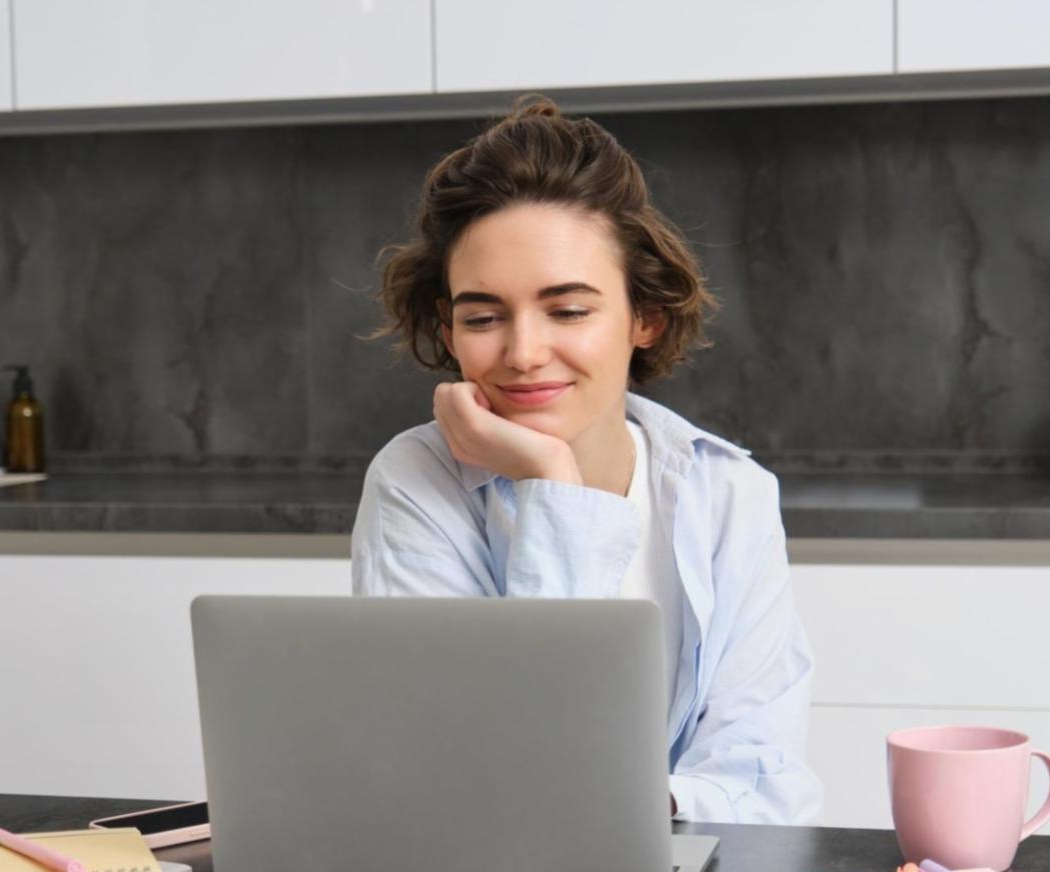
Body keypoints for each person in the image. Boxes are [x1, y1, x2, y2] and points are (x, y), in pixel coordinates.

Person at [352, 97, 822, 825]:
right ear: (447, 330)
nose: (523, 352)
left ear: (645, 316)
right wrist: (550, 481)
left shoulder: (730, 495)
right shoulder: (417, 484)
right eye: (482, 317)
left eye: (568, 310)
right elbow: (482, 780)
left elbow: (762, 774)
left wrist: (618, 813)